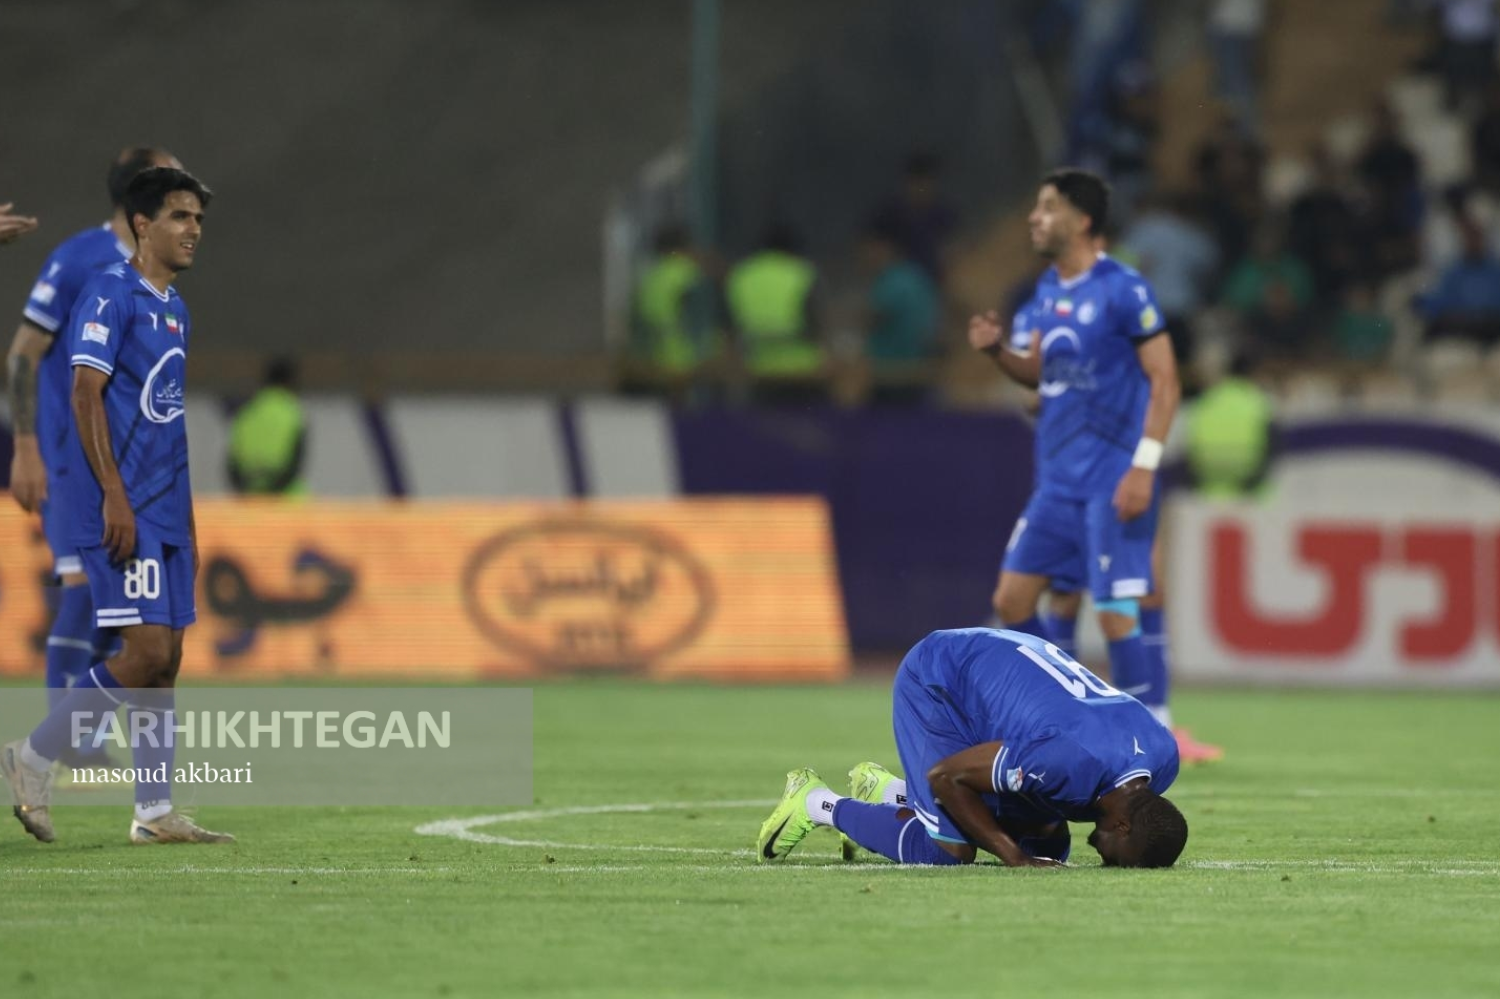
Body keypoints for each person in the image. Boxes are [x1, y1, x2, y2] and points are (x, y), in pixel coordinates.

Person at [1, 166, 233, 845]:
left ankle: (154, 812)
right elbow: (84, 393)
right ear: (141, 224)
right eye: (180, 216)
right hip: (118, 501)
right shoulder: (109, 292)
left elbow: (165, 416)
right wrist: (112, 494)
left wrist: (185, 518)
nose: (193, 230)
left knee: (167, 658)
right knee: (144, 648)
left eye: (198, 219)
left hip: (166, 504)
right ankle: (33, 755)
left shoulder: (175, 308)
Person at [966, 169, 1180, 744]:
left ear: (1082, 220)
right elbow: (1039, 374)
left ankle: (1150, 733)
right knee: (1011, 600)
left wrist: (1144, 465)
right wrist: (997, 353)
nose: (1034, 218)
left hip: (1113, 477)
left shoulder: (1123, 289)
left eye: (1047, 207)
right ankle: (1064, 717)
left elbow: (1165, 381)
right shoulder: (1047, 290)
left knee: (1115, 611)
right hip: (1057, 483)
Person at [756, 627, 1187, 868]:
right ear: (1123, 826)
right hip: (943, 682)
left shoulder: (1163, 756)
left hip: (1006, 676)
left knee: (1047, 847)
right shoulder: (1069, 759)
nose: (1104, 859)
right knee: (947, 851)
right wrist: (1014, 858)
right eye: (1118, 860)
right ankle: (817, 802)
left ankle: (892, 793)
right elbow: (947, 777)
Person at [7, 148, 179, 732]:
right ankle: (65, 748)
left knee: (125, 612)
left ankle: (85, 748)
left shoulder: (158, 274)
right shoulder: (78, 260)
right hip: (72, 457)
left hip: (134, 468)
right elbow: (23, 355)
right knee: (82, 591)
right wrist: (26, 446)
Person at [724, 224, 824, 403]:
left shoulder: (741, 275)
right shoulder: (802, 273)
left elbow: (730, 326)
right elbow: (817, 324)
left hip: (758, 369)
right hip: (802, 371)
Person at [227, 356, 307, 495]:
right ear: (290, 382)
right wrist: (270, 494)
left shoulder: (246, 412)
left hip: (249, 499)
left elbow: (232, 465)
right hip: (286, 500)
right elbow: (296, 463)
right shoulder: (293, 413)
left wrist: (251, 493)